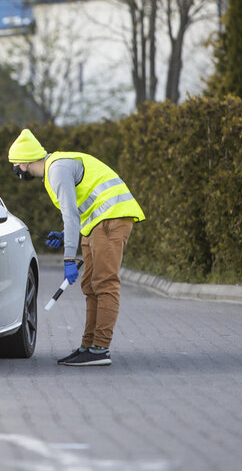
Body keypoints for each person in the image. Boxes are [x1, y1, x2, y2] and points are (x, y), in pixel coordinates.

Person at [8, 128, 145, 366]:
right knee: (90, 286)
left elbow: (70, 215)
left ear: (22, 162)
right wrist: (64, 236)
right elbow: (81, 210)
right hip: (98, 223)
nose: (17, 170)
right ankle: (88, 346)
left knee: (105, 283)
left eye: (16, 164)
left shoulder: (57, 170)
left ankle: (100, 349)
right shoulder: (55, 168)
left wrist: (68, 259)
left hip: (111, 220)